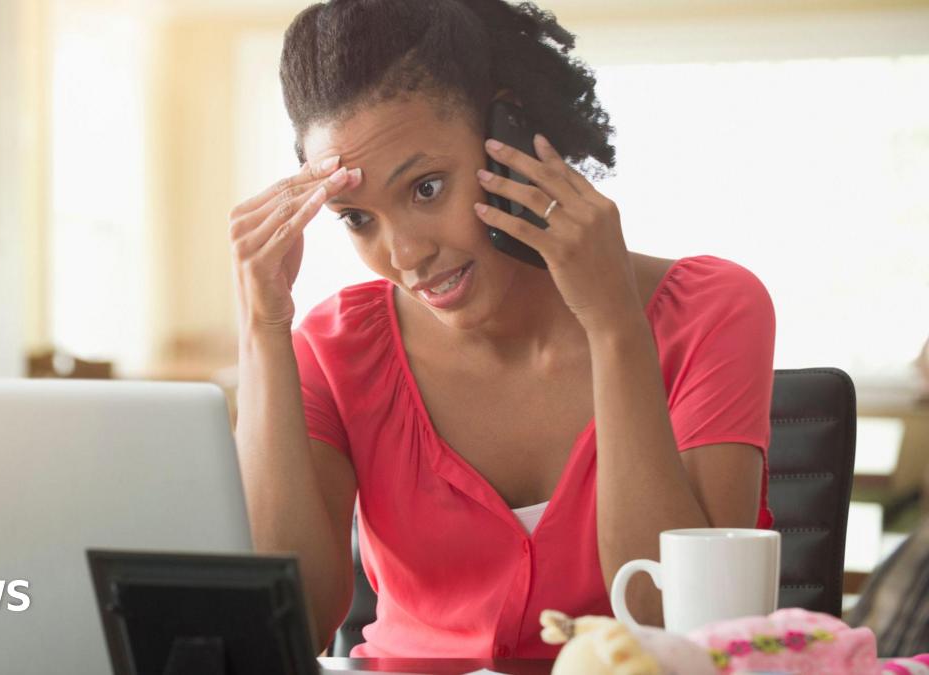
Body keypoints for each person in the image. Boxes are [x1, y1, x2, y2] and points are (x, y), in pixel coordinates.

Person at [228, 0, 776, 659]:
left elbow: (681, 633)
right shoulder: (333, 347)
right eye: (357, 218)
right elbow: (288, 633)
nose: (403, 254)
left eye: (427, 187)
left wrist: (614, 327)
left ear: (511, 138)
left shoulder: (712, 309)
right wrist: (263, 326)